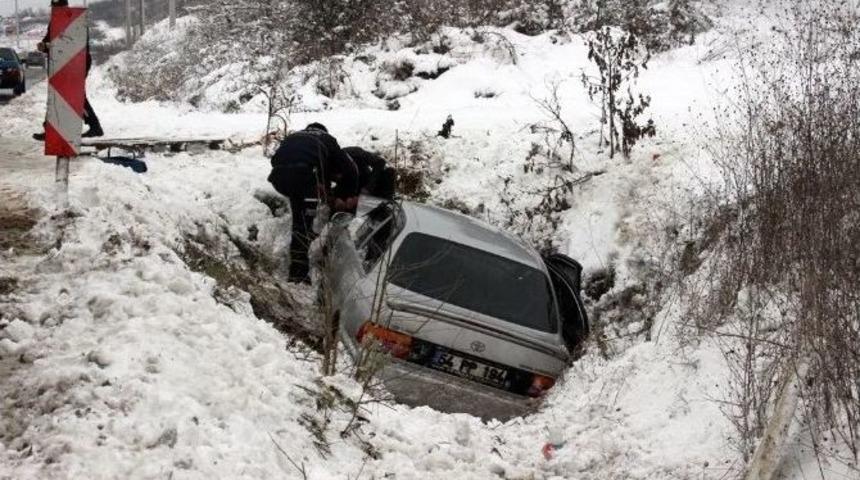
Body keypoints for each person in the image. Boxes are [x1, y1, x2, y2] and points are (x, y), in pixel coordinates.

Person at [268, 123, 359, 283]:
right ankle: (298, 275)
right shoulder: (327, 139)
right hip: (304, 177)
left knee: (300, 212)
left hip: (279, 177)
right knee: (302, 225)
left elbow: (275, 159)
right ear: (324, 131)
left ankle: (304, 234)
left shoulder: (294, 136)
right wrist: (348, 196)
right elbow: (349, 169)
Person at [33, 0, 103, 141]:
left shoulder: (76, 19)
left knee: (75, 94)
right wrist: (43, 45)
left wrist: (49, 45)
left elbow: (75, 44)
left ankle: (95, 127)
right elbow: (48, 41)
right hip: (60, 63)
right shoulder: (54, 22)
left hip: (78, 62)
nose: (54, 10)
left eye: (56, 7)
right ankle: (50, 129)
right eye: (53, 7)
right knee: (56, 94)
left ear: (64, 7)